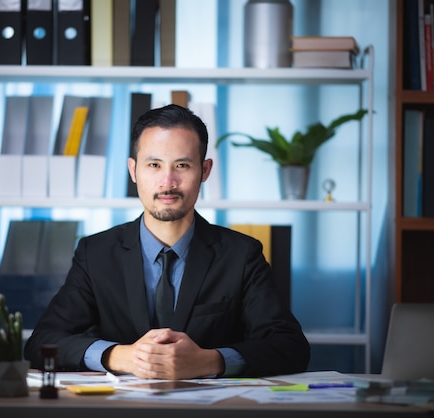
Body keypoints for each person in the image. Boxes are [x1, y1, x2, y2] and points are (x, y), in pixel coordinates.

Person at [24, 104, 310, 379]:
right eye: (154, 165)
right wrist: (121, 356)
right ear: (133, 170)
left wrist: (210, 360)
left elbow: (290, 347)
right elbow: (43, 342)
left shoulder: (242, 254)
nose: (168, 181)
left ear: (205, 170)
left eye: (182, 165)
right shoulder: (95, 253)